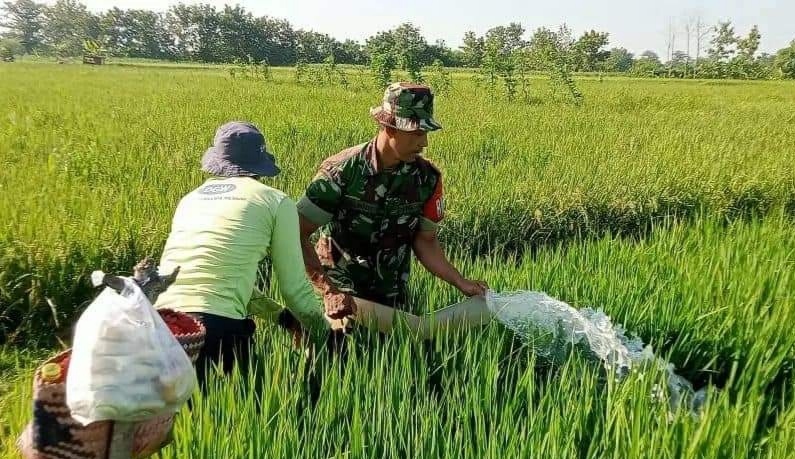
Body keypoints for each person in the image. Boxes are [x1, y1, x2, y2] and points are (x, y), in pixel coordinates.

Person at [155, 121, 329, 388]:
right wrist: (324, 333)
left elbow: (225, 282)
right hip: (215, 329)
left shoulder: (190, 199)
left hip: (159, 325)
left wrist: (283, 318)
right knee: (242, 417)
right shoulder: (275, 201)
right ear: (259, 164)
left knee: (172, 426)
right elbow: (294, 288)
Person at [297, 82, 488, 325]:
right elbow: (297, 234)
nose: (424, 143)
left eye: (426, 133)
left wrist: (460, 281)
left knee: (393, 357)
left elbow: (425, 241)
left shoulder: (426, 178)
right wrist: (329, 290)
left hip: (391, 295)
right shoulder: (341, 173)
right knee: (337, 355)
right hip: (340, 292)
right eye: (417, 133)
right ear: (389, 127)